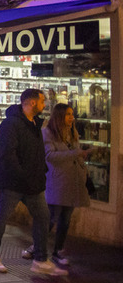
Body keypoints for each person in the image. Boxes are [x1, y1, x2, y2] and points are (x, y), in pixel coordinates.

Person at [0, 88, 67, 276]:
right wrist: (22, 175)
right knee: (2, 216)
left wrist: (41, 173)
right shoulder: (11, 124)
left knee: (43, 216)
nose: (44, 105)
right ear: (31, 103)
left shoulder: (34, 124)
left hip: (33, 184)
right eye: (41, 102)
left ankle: (40, 259)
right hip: (11, 182)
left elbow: (37, 154)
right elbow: (6, 154)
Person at [31, 103, 91, 267]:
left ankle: (58, 251)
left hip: (73, 181)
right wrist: (76, 153)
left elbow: (74, 153)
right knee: (50, 217)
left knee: (65, 219)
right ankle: (36, 246)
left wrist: (82, 160)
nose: (72, 117)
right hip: (57, 181)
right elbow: (50, 156)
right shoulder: (48, 133)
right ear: (59, 116)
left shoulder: (73, 132)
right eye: (68, 114)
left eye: (72, 114)